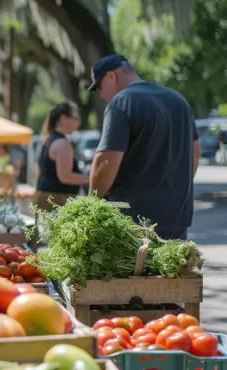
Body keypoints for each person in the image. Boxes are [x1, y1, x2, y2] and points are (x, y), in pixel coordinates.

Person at [87, 55, 200, 240]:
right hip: (177, 218)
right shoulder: (178, 100)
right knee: (172, 269)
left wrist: (91, 204)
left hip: (133, 224)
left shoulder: (121, 102)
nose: (101, 95)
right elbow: (195, 152)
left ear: (111, 76)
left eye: (99, 87)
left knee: (134, 270)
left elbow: (106, 162)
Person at [35, 101, 88, 212]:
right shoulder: (62, 143)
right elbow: (65, 177)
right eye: (76, 118)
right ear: (64, 118)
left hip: (46, 200)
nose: (78, 122)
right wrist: (88, 179)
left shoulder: (49, 140)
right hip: (57, 202)